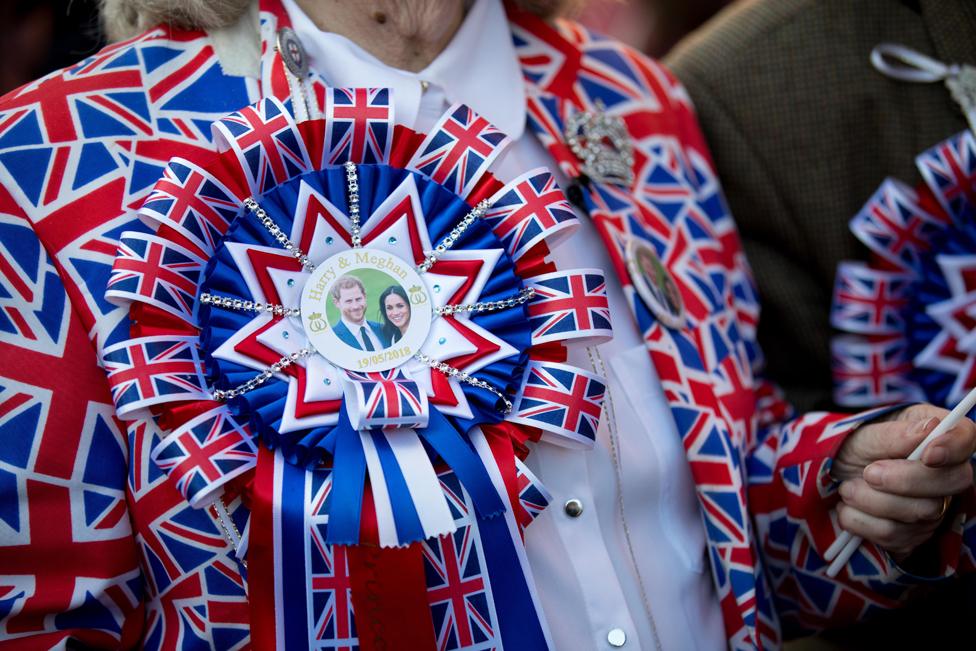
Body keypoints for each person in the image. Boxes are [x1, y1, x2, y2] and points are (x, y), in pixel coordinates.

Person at [0, 0, 973, 649]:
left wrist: (839, 484)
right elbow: (48, 618)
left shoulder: (635, 104)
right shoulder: (59, 163)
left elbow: (719, 507)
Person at [330, 275, 389, 351]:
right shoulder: (332, 339)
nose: (355, 306)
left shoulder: (384, 329)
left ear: (364, 296)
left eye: (358, 299)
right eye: (349, 301)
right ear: (336, 303)